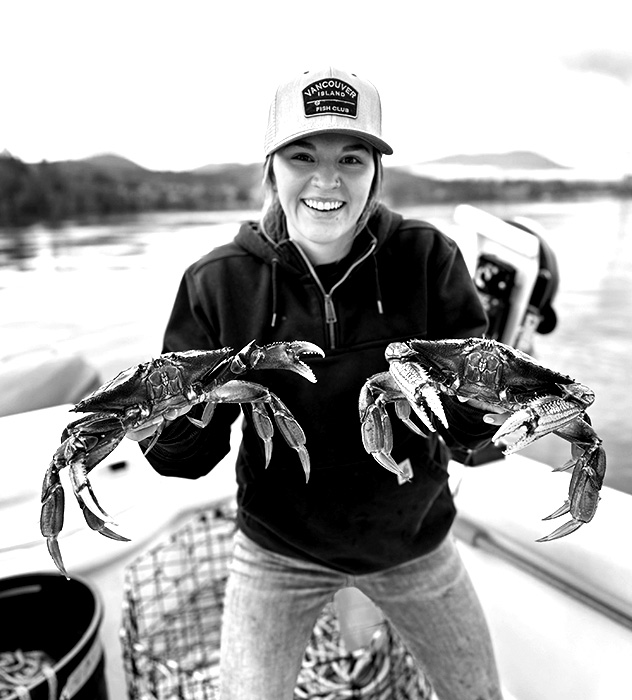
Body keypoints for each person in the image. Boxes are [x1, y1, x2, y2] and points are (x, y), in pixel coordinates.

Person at [131, 67, 505, 700]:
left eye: (351, 158)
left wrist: (478, 399)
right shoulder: (219, 284)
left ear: (375, 172)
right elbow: (183, 461)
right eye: (303, 155)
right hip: (277, 549)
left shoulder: (428, 259)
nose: (327, 180)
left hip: (412, 539)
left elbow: (477, 434)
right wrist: (180, 412)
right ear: (272, 166)